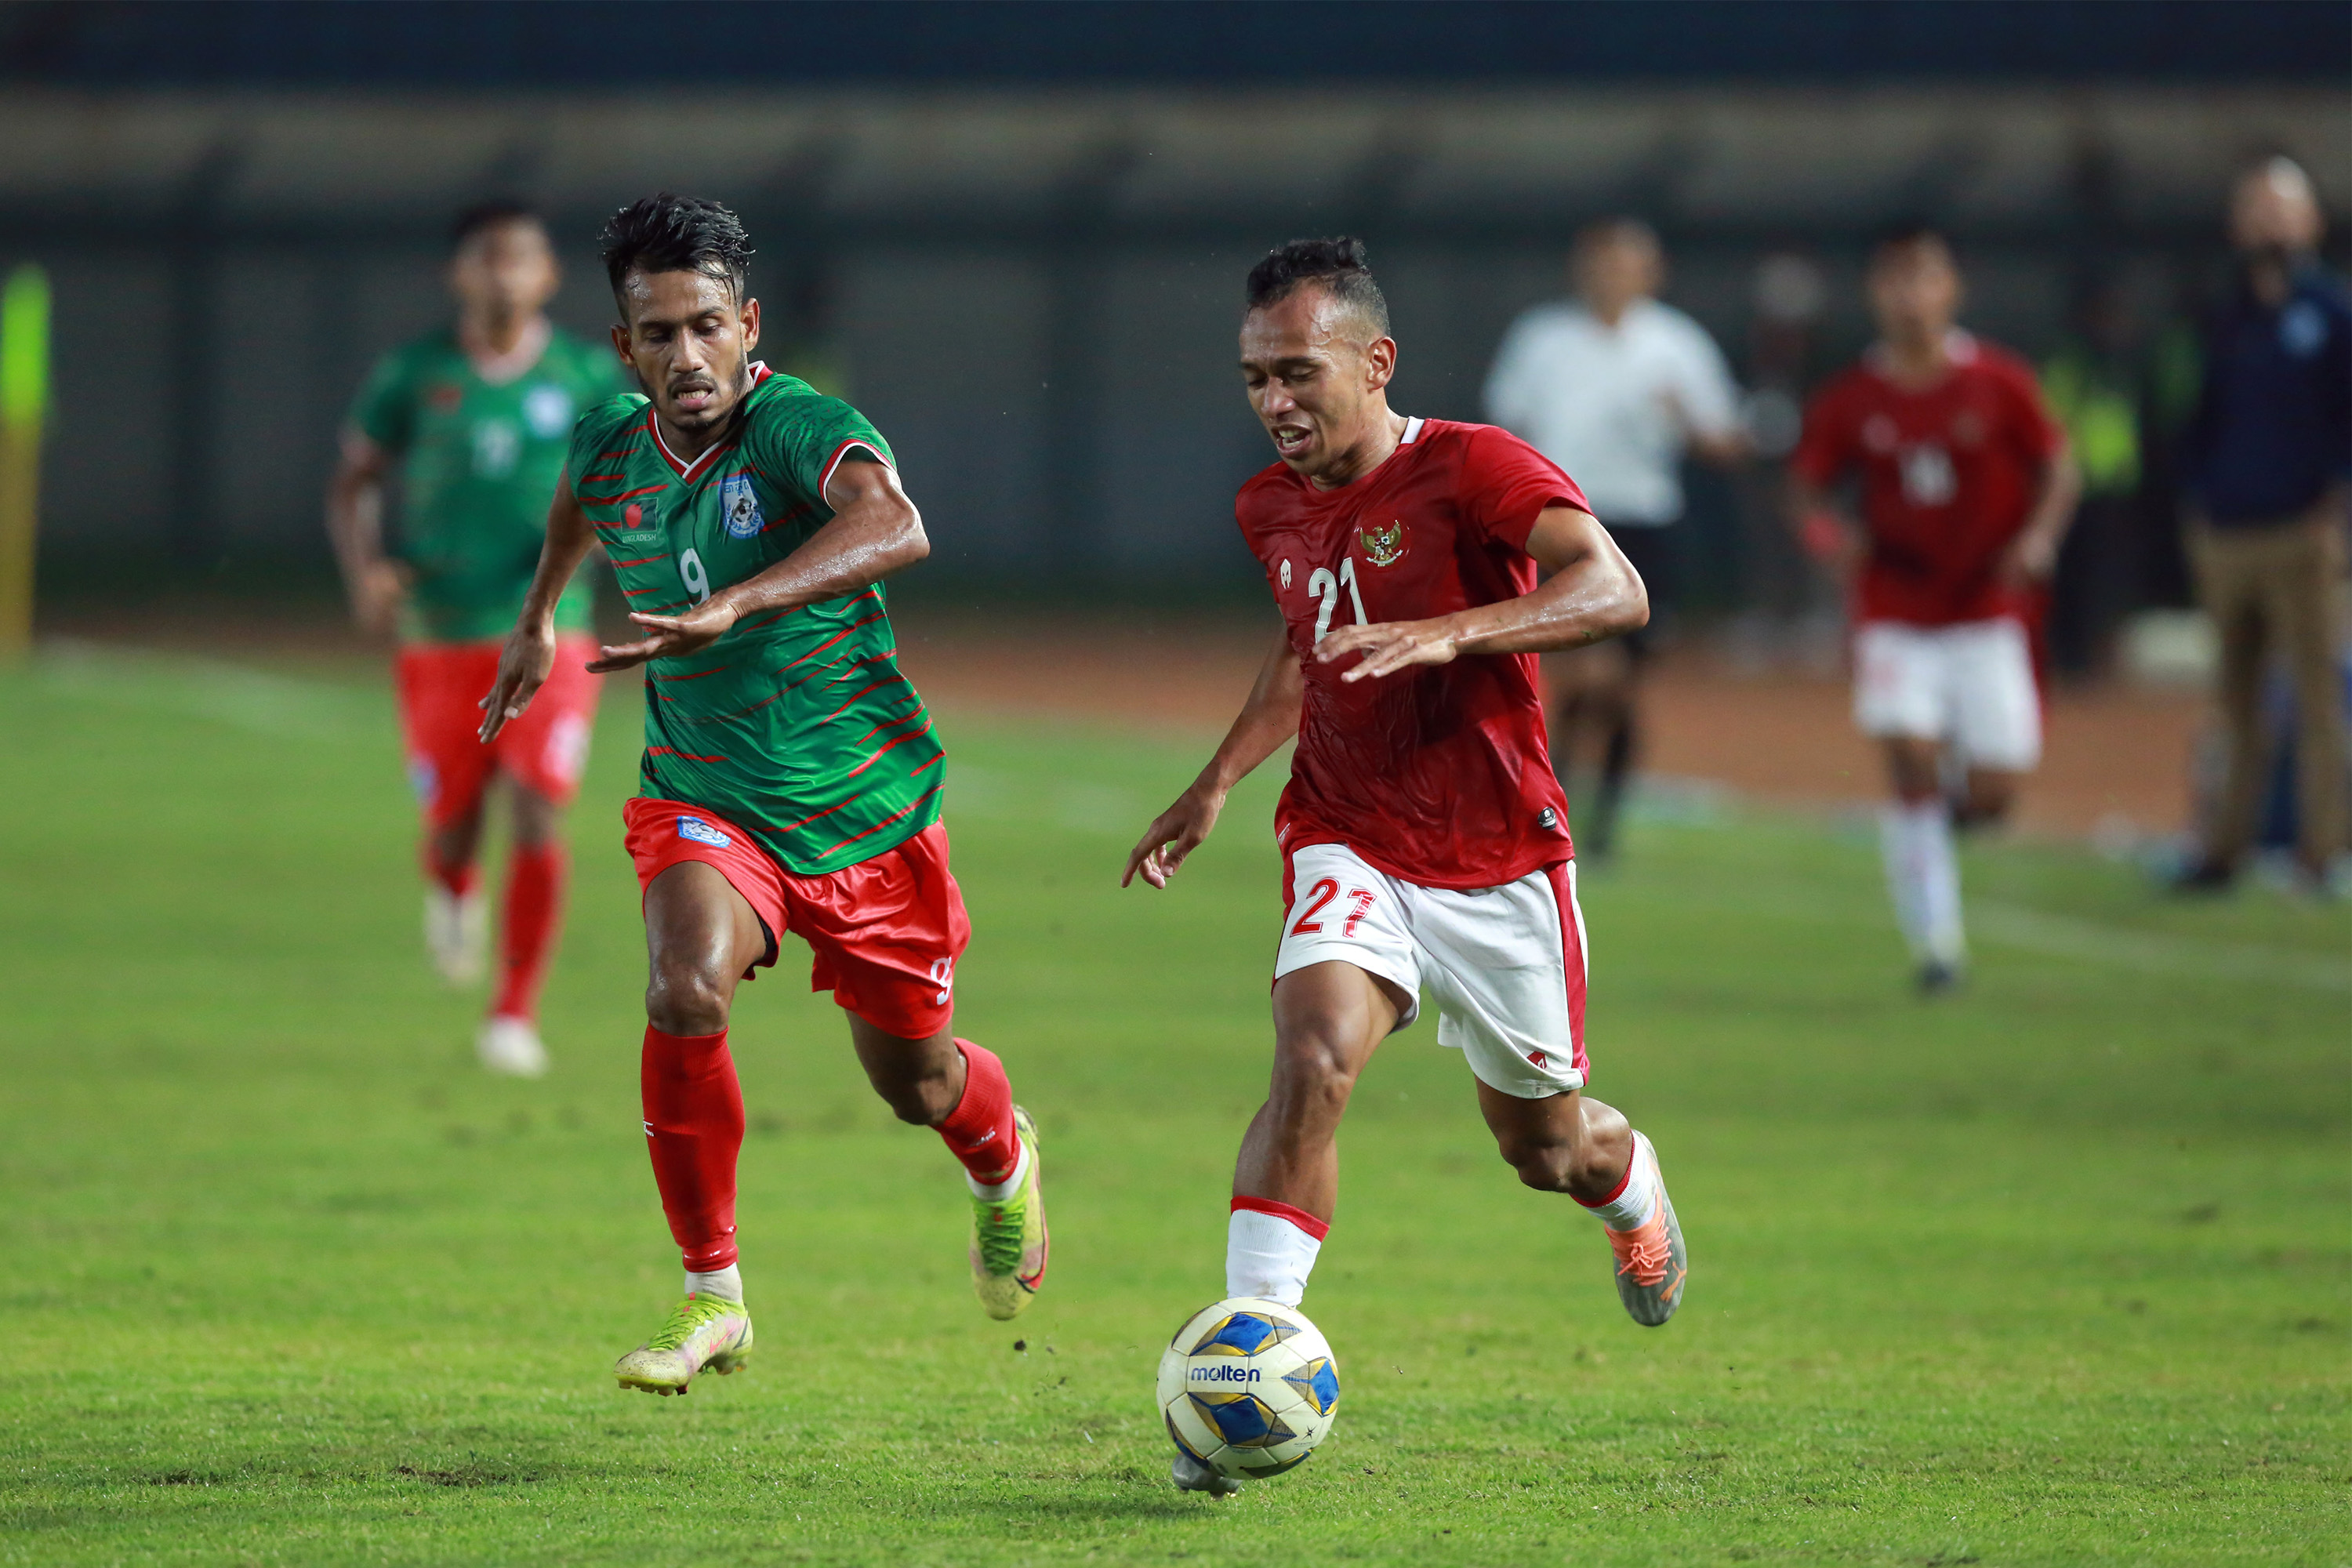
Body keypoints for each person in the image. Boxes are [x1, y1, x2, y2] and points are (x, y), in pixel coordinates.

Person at [1123, 238, 1679, 1497]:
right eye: (1255, 378)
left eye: (1299, 372)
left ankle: (1628, 1183)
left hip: (1499, 862)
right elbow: (1305, 648)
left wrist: (1452, 632)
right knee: (1313, 1055)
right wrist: (1218, 781)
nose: (1275, 402)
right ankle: (1235, 1382)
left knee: (1545, 1150)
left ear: (1376, 364)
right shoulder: (1271, 503)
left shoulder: (1474, 467)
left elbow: (1616, 586)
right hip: (1348, 830)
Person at [479, 194, 1048, 1395]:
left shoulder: (798, 426)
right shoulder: (606, 442)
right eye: (657, 335)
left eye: (705, 327)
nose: (685, 357)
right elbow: (577, 509)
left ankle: (1001, 1161)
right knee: (683, 987)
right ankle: (712, 1295)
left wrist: (745, 600)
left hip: (865, 810)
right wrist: (536, 622)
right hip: (704, 794)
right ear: (624, 347)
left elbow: (895, 523)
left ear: (748, 326)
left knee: (918, 1082)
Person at [327, 201, 622, 1077]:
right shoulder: (414, 374)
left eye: (521, 258)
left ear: (548, 276)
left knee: (538, 803)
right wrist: (367, 570)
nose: (504, 273)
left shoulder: (586, 375)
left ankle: (512, 1013)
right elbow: (351, 485)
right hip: (439, 632)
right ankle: (453, 890)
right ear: (460, 273)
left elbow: (634, 483)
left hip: (550, 630)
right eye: (488, 258)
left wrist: (599, 542)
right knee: (454, 824)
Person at [1787, 224, 2081, 993]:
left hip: (1986, 606)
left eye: (1924, 278)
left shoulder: (1999, 381)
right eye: (1895, 280)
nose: (1910, 296)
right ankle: (1938, 946)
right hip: (1895, 603)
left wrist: (2039, 537)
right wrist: (1830, 535)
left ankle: (1926, 837)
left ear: (1952, 289)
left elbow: (2059, 464)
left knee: (1995, 791)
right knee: (1911, 754)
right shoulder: (1853, 396)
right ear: (1875, 294)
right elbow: (1808, 484)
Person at [1483, 219, 1748, 859]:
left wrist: (1684, 418)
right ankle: (1561, 807)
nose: (1615, 276)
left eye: (1629, 264)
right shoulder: (1542, 340)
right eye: (1604, 262)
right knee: (1581, 676)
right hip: (1562, 520)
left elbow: (1727, 443)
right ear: (1583, 268)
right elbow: (1501, 429)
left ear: (1652, 272)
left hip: (1645, 522)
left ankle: (1599, 816)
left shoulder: (1676, 345)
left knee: (1622, 687)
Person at [2173, 156, 2350, 893]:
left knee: (2316, 696)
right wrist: (2196, 504)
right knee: (2235, 701)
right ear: (2235, 224)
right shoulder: (2226, 316)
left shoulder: (2335, 312)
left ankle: (2325, 851)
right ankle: (2225, 851)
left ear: (2312, 221)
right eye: (2256, 207)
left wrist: (2339, 511)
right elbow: (2198, 417)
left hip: (2304, 530)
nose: (2268, 221)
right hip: (2227, 531)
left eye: (2282, 207)